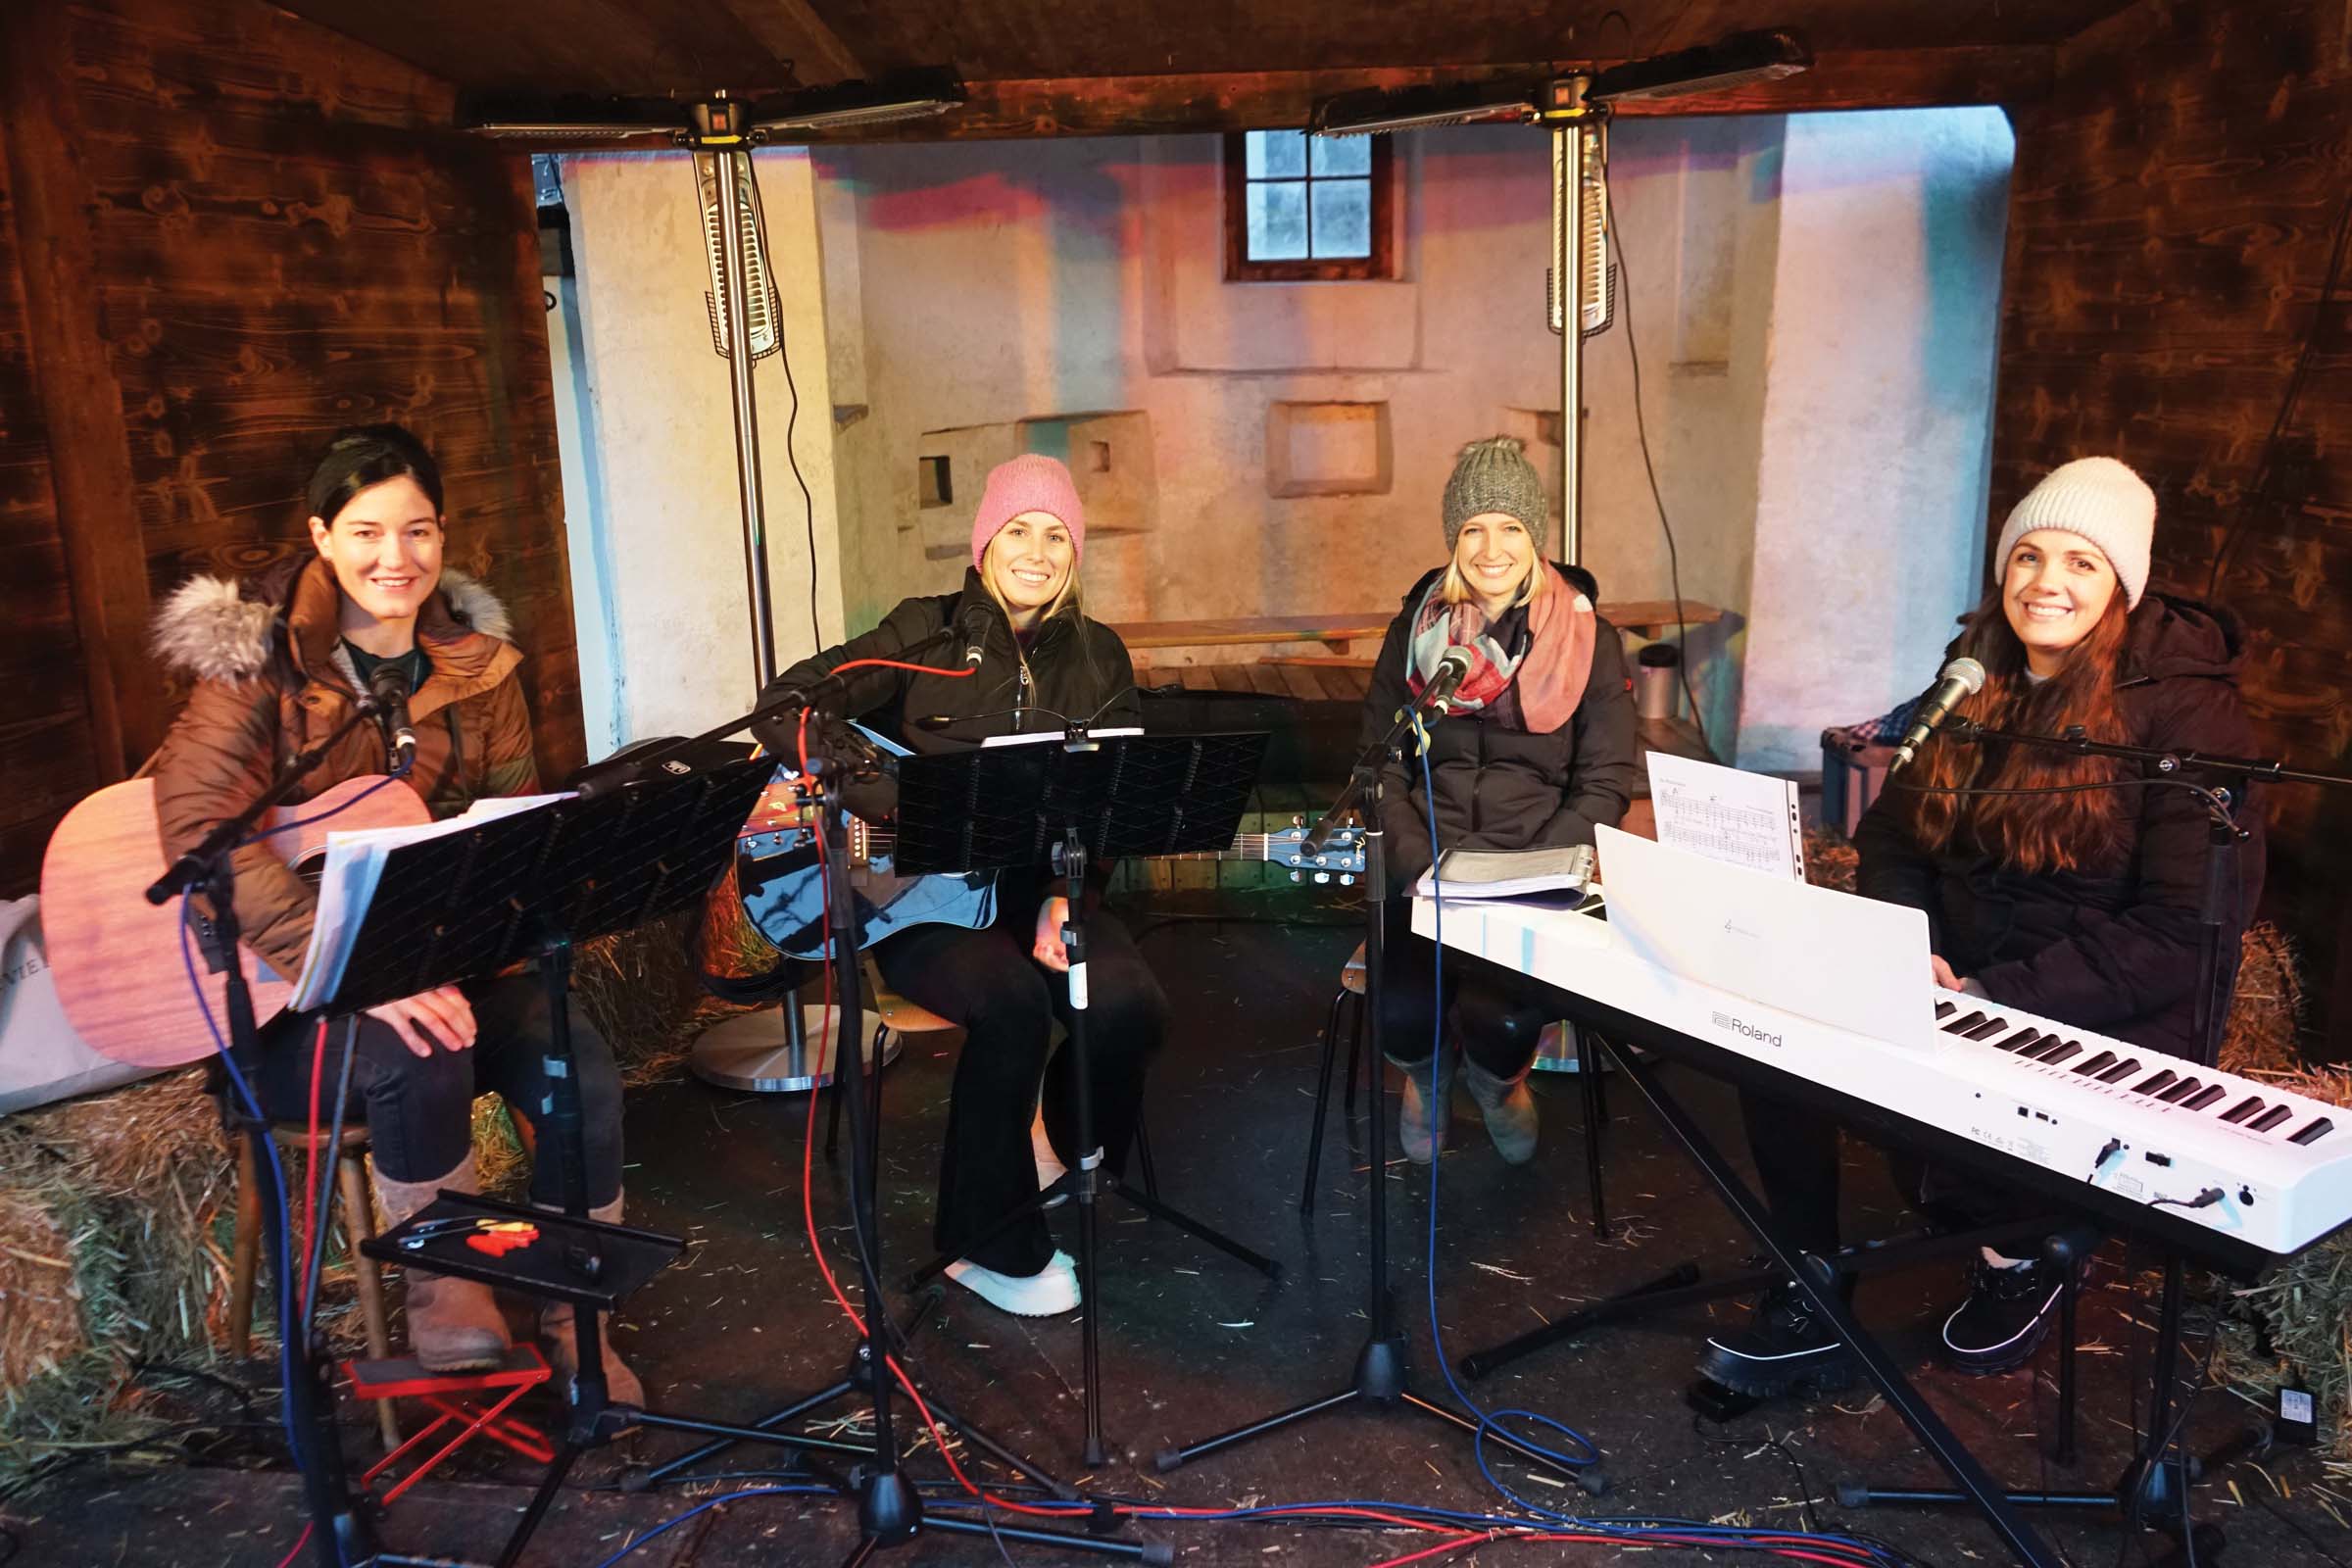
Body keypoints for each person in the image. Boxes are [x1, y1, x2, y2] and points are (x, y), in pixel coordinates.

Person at [1700, 456, 2268, 1398]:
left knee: (1974, 1156)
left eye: (2082, 562)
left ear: (2122, 583)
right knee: (1774, 1040)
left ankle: (2022, 1256)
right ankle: (1809, 1271)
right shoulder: (1974, 673)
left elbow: (2184, 931)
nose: (2048, 582)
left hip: (2099, 1005)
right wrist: (1909, 943)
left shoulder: (2191, 712)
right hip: (1959, 971)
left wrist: (1991, 993)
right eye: (2029, 556)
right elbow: (1893, 835)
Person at [150, 425, 638, 1400]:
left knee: (574, 1057)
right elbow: (199, 828)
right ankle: (450, 1286)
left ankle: (576, 1310)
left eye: (418, 531)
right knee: (422, 1051)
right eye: (366, 532)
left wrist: (536, 900)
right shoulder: (258, 663)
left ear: (442, 536)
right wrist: (356, 969)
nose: (395, 557)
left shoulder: (480, 671)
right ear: (321, 536)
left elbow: (513, 824)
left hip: (438, 963)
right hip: (286, 990)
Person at [759, 454, 1160, 1317]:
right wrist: (886, 797)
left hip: (1037, 885)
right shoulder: (926, 633)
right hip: (921, 897)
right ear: (985, 543)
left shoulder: (1100, 655)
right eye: (1018, 530)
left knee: (1129, 1002)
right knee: (1011, 1005)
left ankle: (1062, 1148)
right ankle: (984, 1246)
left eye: (1057, 536)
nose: (1037, 553)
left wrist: (1065, 897)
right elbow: (789, 704)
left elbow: (1115, 805)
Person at [1361, 435, 1640, 1164]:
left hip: (1534, 869)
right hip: (1428, 866)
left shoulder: (1589, 636)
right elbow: (1380, 765)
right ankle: (1427, 1078)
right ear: (1453, 539)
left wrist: (1534, 871)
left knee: (1502, 1018)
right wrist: (1416, 862)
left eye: (1511, 527)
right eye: (1473, 529)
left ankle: (1496, 1086)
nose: (1492, 549)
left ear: (1535, 535)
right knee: (1402, 1012)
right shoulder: (1415, 631)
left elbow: (1606, 780)